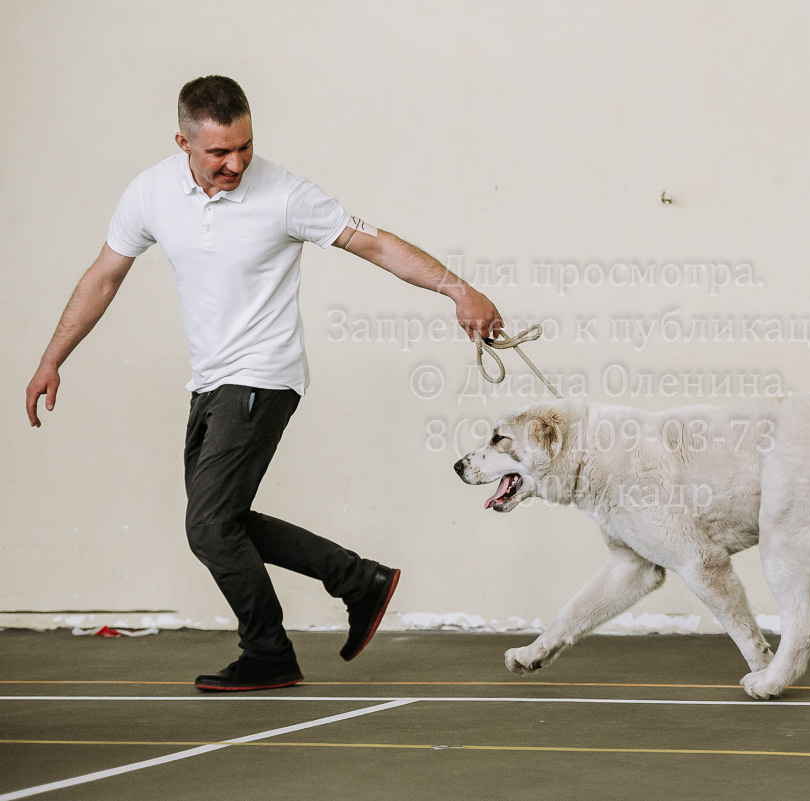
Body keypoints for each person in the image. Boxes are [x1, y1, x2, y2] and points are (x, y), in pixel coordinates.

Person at [25, 75, 504, 692]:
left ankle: (269, 651)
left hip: (263, 376)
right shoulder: (149, 194)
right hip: (210, 382)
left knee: (208, 525)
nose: (236, 163)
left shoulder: (284, 194)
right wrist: (51, 358)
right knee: (218, 521)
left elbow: (377, 246)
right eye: (219, 152)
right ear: (183, 142)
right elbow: (104, 276)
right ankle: (358, 580)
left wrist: (457, 290)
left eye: (245, 146)